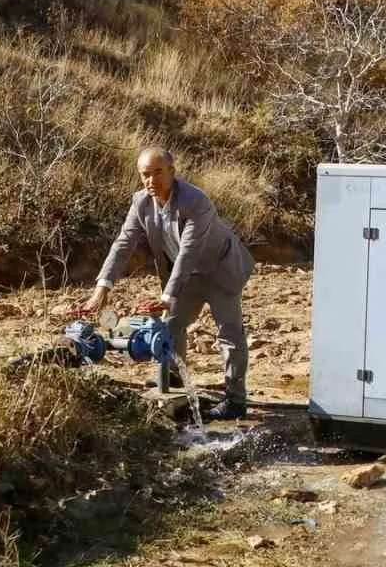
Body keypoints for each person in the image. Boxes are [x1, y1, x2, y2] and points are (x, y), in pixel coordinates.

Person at [73, 146, 255, 417]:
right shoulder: (141, 203)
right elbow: (123, 244)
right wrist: (102, 290)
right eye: (145, 174)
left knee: (228, 333)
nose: (151, 180)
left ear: (172, 172)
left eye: (158, 172)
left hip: (220, 269)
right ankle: (174, 377)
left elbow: (189, 251)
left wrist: (166, 297)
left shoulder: (196, 201)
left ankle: (235, 401)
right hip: (186, 275)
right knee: (172, 325)